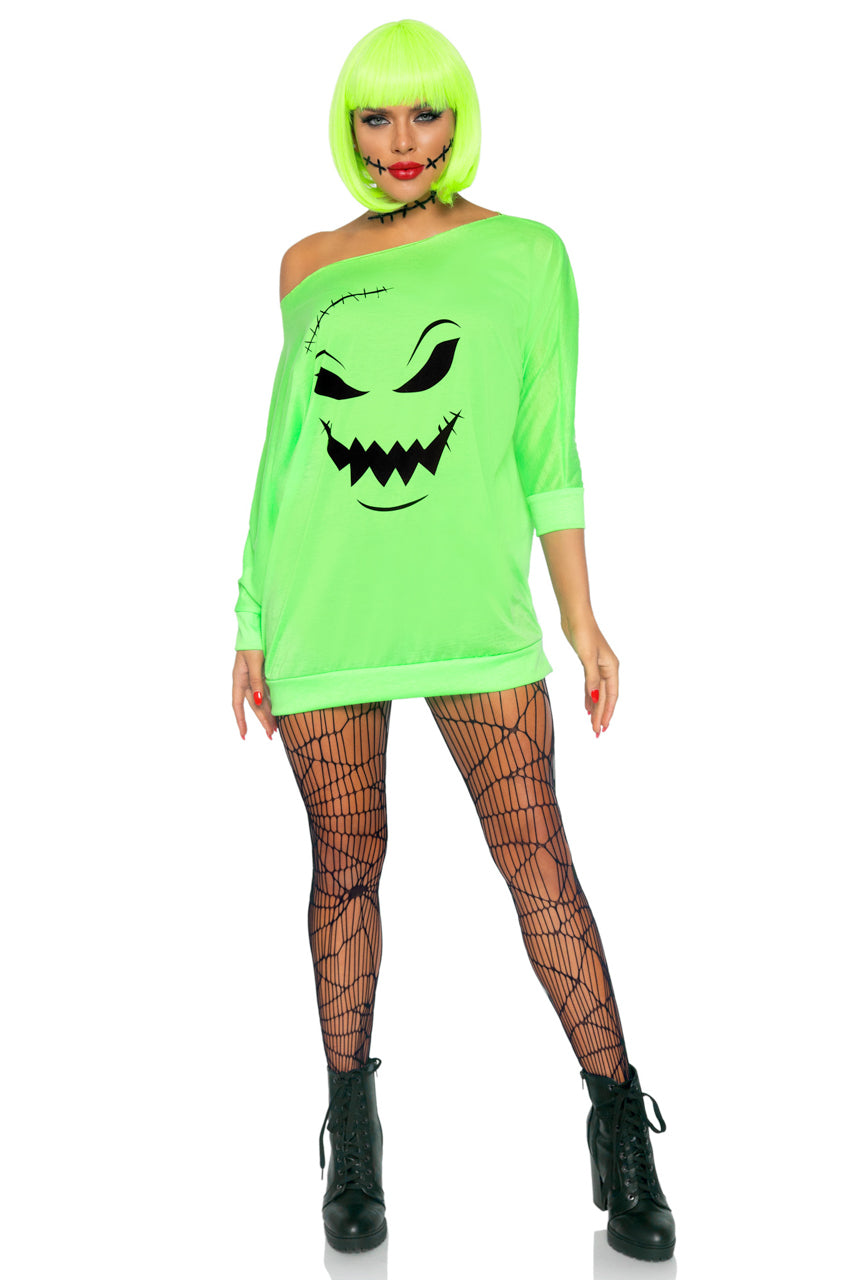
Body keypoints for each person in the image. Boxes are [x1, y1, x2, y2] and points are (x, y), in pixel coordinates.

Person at [231, 18, 676, 1262]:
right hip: (324, 609)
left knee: (538, 860)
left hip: (474, 615)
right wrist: (251, 616)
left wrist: (580, 618)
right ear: (348, 130)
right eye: (375, 117)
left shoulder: (526, 253)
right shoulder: (305, 263)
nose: (401, 142)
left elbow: (547, 444)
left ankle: (620, 1126)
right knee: (344, 868)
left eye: (424, 113)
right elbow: (282, 453)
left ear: (458, 119)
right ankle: (353, 1136)